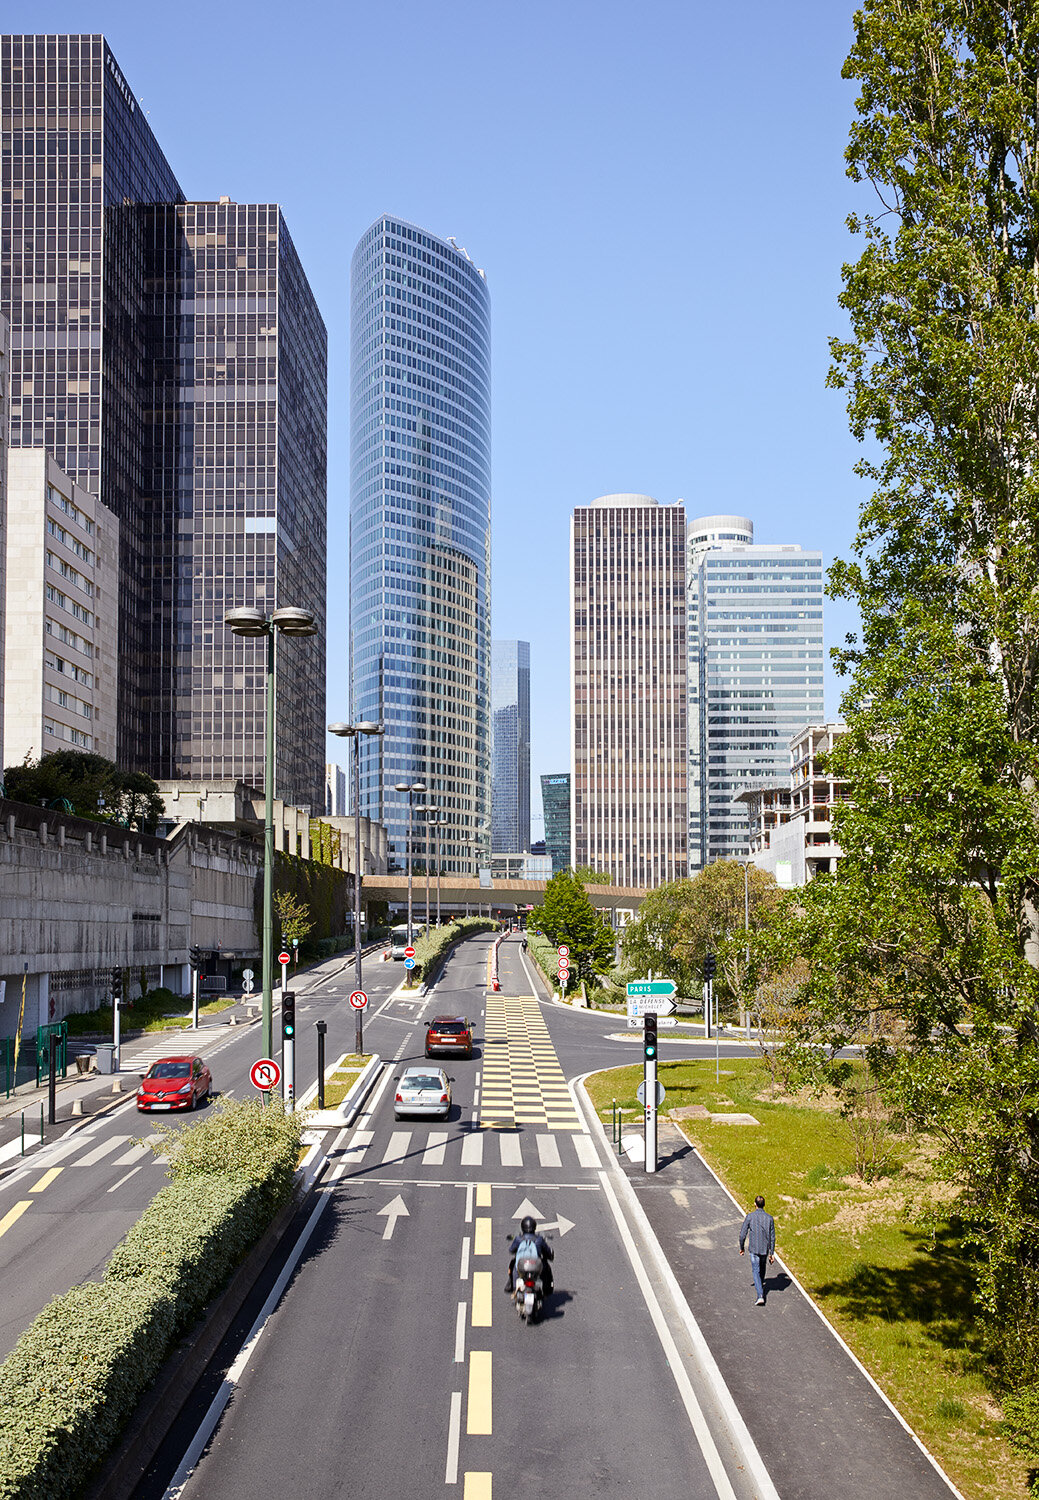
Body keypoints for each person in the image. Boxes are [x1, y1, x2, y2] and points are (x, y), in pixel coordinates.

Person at [739, 1194, 775, 1306]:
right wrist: (771, 1252)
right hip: (764, 1249)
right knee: (762, 1268)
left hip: (754, 1248)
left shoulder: (750, 1217)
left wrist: (742, 1247)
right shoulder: (769, 1219)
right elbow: (772, 1237)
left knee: (755, 1270)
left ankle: (760, 1295)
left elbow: (742, 1234)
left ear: (755, 1204)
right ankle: (761, 1284)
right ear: (764, 1205)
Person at [504, 1214, 554, 1296]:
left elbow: (511, 1250)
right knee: (547, 1269)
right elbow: (548, 1252)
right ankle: (547, 1289)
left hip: (521, 1267)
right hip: (536, 1266)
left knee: (513, 1264)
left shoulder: (518, 1239)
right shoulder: (539, 1239)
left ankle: (511, 1286)